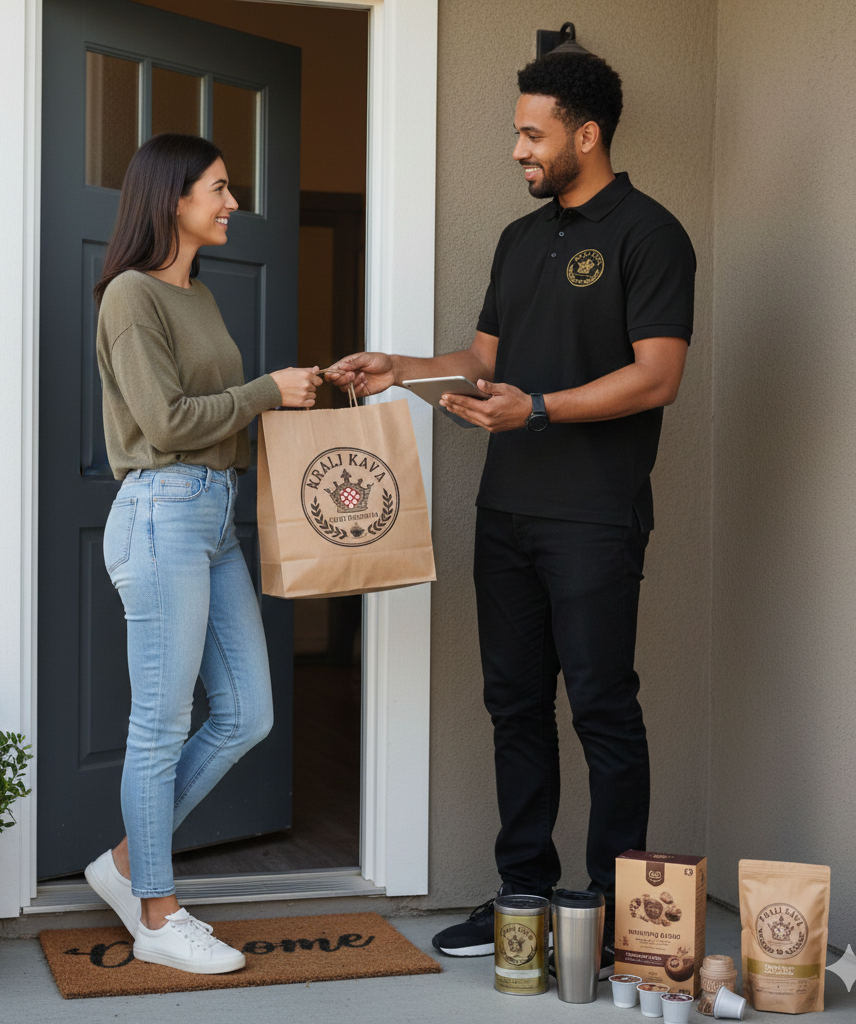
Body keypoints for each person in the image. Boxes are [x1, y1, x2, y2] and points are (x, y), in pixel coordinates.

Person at [326, 47, 695, 971]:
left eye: (532, 134)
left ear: (586, 133)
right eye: (517, 133)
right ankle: (524, 897)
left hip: (596, 517)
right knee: (515, 707)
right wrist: (400, 369)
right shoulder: (519, 239)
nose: (519, 150)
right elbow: (484, 361)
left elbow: (658, 377)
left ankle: (614, 916)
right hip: (508, 513)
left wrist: (538, 409)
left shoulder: (651, 234)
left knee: (604, 710)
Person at [84, 133, 322, 975]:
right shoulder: (130, 297)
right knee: (159, 727)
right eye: (219, 190)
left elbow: (223, 415)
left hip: (214, 516)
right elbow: (168, 423)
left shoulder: (200, 296)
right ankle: (155, 912)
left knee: (247, 713)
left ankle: (122, 863)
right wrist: (266, 391)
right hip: (161, 513)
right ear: (172, 199)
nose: (231, 204)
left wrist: (303, 400)